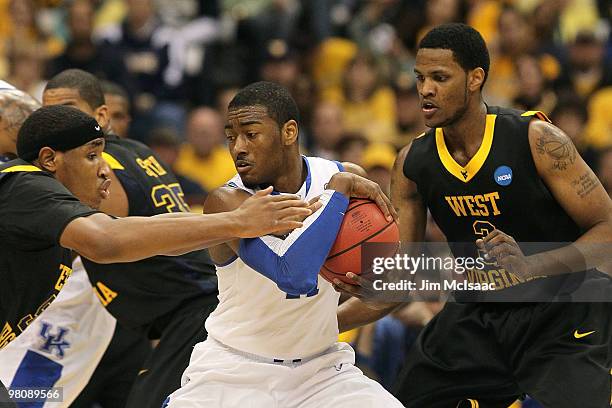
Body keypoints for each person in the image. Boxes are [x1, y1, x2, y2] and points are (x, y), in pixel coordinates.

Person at [336, 23, 612, 407]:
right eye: (420, 78)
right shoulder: (413, 163)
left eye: (440, 77)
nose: (425, 89)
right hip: (481, 309)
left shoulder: (537, 139)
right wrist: (323, 325)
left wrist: (531, 266)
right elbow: (401, 280)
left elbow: (608, 232)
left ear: (475, 78)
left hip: (564, 306)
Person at [0, 102, 312, 406]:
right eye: (92, 156)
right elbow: (106, 241)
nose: (105, 169)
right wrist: (238, 221)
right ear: (49, 159)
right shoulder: (25, 184)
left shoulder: (45, 213)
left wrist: (235, 223)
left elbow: (147, 229)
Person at [164, 81, 403, 408]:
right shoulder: (228, 201)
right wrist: (339, 195)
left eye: (251, 134)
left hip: (320, 371)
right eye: (231, 137)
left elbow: (400, 283)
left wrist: (335, 318)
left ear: (289, 132)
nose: (237, 148)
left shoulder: (343, 177)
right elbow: (294, 274)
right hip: (235, 370)